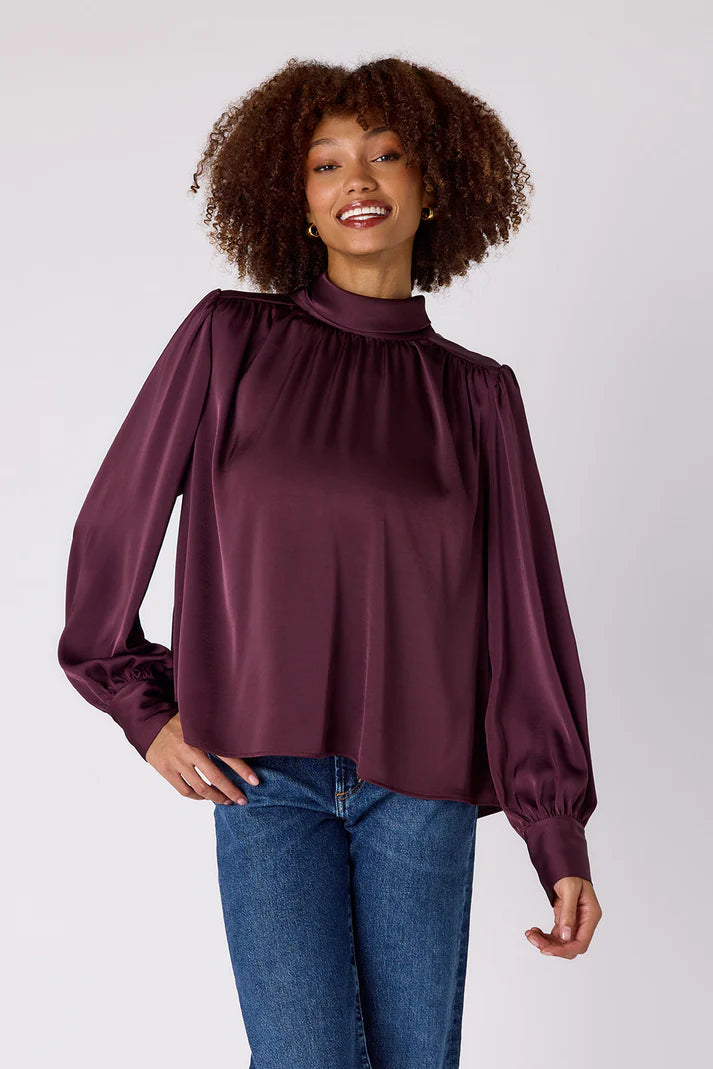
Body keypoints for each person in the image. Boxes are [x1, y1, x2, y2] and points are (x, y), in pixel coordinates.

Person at [57, 56, 602, 1068]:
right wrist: (144, 708)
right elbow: (112, 529)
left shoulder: (478, 396)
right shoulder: (228, 340)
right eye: (326, 163)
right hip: (261, 779)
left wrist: (554, 834)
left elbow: (523, 624)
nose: (357, 179)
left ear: (433, 186)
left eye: (385, 156)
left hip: (424, 790)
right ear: (297, 202)